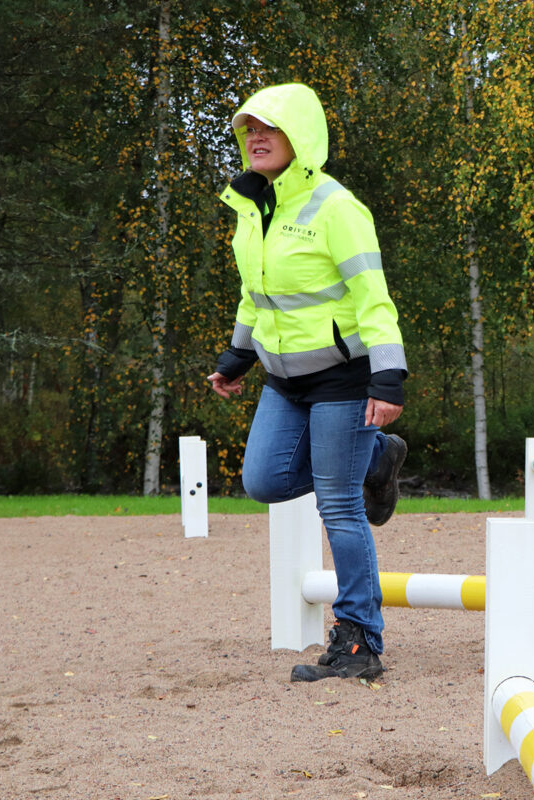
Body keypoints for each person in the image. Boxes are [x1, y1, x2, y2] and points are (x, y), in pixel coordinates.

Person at [206, 83, 408, 683]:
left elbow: (374, 299)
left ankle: (359, 641)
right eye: (248, 129)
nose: (257, 137)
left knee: (337, 504)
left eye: (270, 127)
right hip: (282, 379)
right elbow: (257, 294)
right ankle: (375, 458)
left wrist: (388, 377)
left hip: (343, 378)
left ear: (303, 136)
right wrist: (238, 355)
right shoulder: (251, 207)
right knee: (263, 481)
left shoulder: (336, 207)